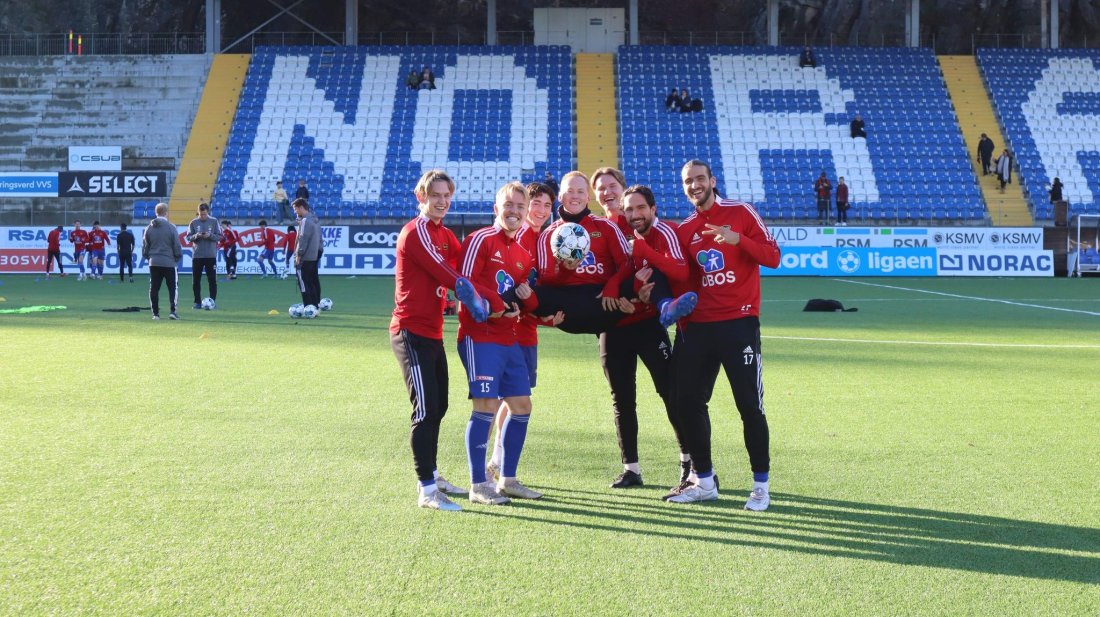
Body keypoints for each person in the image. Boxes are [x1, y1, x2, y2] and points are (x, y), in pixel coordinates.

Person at [665, 159, 780, 511]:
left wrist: (737, 239)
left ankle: (761, 486)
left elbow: (773, 256)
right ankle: (704, 480)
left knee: (749, 406)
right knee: (686, 401)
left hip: (738, 324)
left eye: (700, 179)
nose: (695, 185)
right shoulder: (684, 230)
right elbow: (682, 279)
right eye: (688, 181)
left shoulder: (741, 212)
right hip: (698, 328)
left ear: (713, 181)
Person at [390, 169, 499, 512]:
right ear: (420, 196)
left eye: (446, 195)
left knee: (439, 406)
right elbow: (453, 278)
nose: (442, 201)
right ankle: (426, 490)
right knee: (424, 410)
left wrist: (498, 293)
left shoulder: (445, 234)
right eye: (435, 195)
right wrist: (482, 301)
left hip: (433, 333)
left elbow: (466, 270)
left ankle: (433, 475)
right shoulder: (416, 232)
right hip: (409, 332)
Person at [603, 184, 694, 490]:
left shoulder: (663, 233)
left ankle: (689, 462)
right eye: (629, 209)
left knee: (670, 392)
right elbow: (620, 275)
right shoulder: (626, 239)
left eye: (640, 208)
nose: (635, 214)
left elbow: (677, 272)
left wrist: (643, 296)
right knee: (622, 400)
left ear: (653, 209)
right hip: (615, 328)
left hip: (648, 325)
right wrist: (618, 293)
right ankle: (631, 469)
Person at [459, 181, 542, 505]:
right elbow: (463, 283)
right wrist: (493, 304)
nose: (515, 211)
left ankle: (507, 479)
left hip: (510, 338)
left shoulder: (522, 253)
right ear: (497, 208)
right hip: (479, 337)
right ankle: (479, 484)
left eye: (520, 207)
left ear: (526, 213)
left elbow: (522, 299)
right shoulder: (480, 239)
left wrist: (525, 299)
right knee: (486, 407)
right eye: (509, 205)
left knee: (522, 405)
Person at [486, 181, 557, 483]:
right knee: (498, 401)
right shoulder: (516, 237)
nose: (540, 210)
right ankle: (491, 465)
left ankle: (497, 464)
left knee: (511, 401)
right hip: (506, 330)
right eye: (536, 203)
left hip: (527, 331)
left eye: (547, 206)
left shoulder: (549, 239)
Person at [142, 203, 182, 321]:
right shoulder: (171, 227)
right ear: (166, 212)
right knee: (172, 288)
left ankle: (155, 314)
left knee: (154, 288)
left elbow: (145, 247)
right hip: (169, 262)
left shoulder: (149, 228)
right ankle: (173, 312)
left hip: (154, 262)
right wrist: (176, 257)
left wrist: (149, 258)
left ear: (156, 212)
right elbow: (176, 245)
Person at [187, 202, 222, 309]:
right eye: (201, 214)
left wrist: (210, 235)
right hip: (197, 256)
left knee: (212, 280)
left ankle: (213, 302)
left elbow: (220, 236)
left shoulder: (214, 221)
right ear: (198, 212)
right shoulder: (193, 222)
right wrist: (196, 236)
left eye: (205, 214)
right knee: (196, 280)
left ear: (208, 212)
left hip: (210, 256)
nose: (203, 216)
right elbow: (188, 238)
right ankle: (197, 302)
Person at [292, 199, 321, 308]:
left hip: (305, 256)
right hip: (313, 256)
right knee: (311, 282)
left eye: (295, 209)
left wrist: (298, 255)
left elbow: (303, 239)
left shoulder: (305, 221)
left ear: (301, 208)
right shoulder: (314, 220)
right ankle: (315, 305)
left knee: (303, 283)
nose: (295, 212)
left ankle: (308, 306)